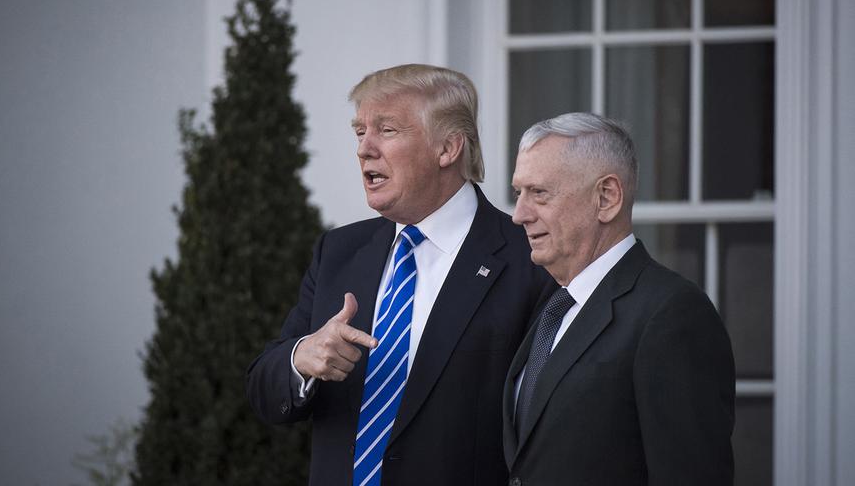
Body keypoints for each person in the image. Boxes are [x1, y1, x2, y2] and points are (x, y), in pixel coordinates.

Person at [246, 64, 548, 486]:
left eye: (386, 131)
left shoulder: (529, 258)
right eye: (359, 131)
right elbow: (264, 388)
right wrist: (303, 359)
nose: (364, 149)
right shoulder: (338, 251)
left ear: (448, 148)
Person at [503, 113, 735, 485]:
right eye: (519, 193)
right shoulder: (551, 306)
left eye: (539, 193)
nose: (519, 215)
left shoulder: (671, 313)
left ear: (606, 198)